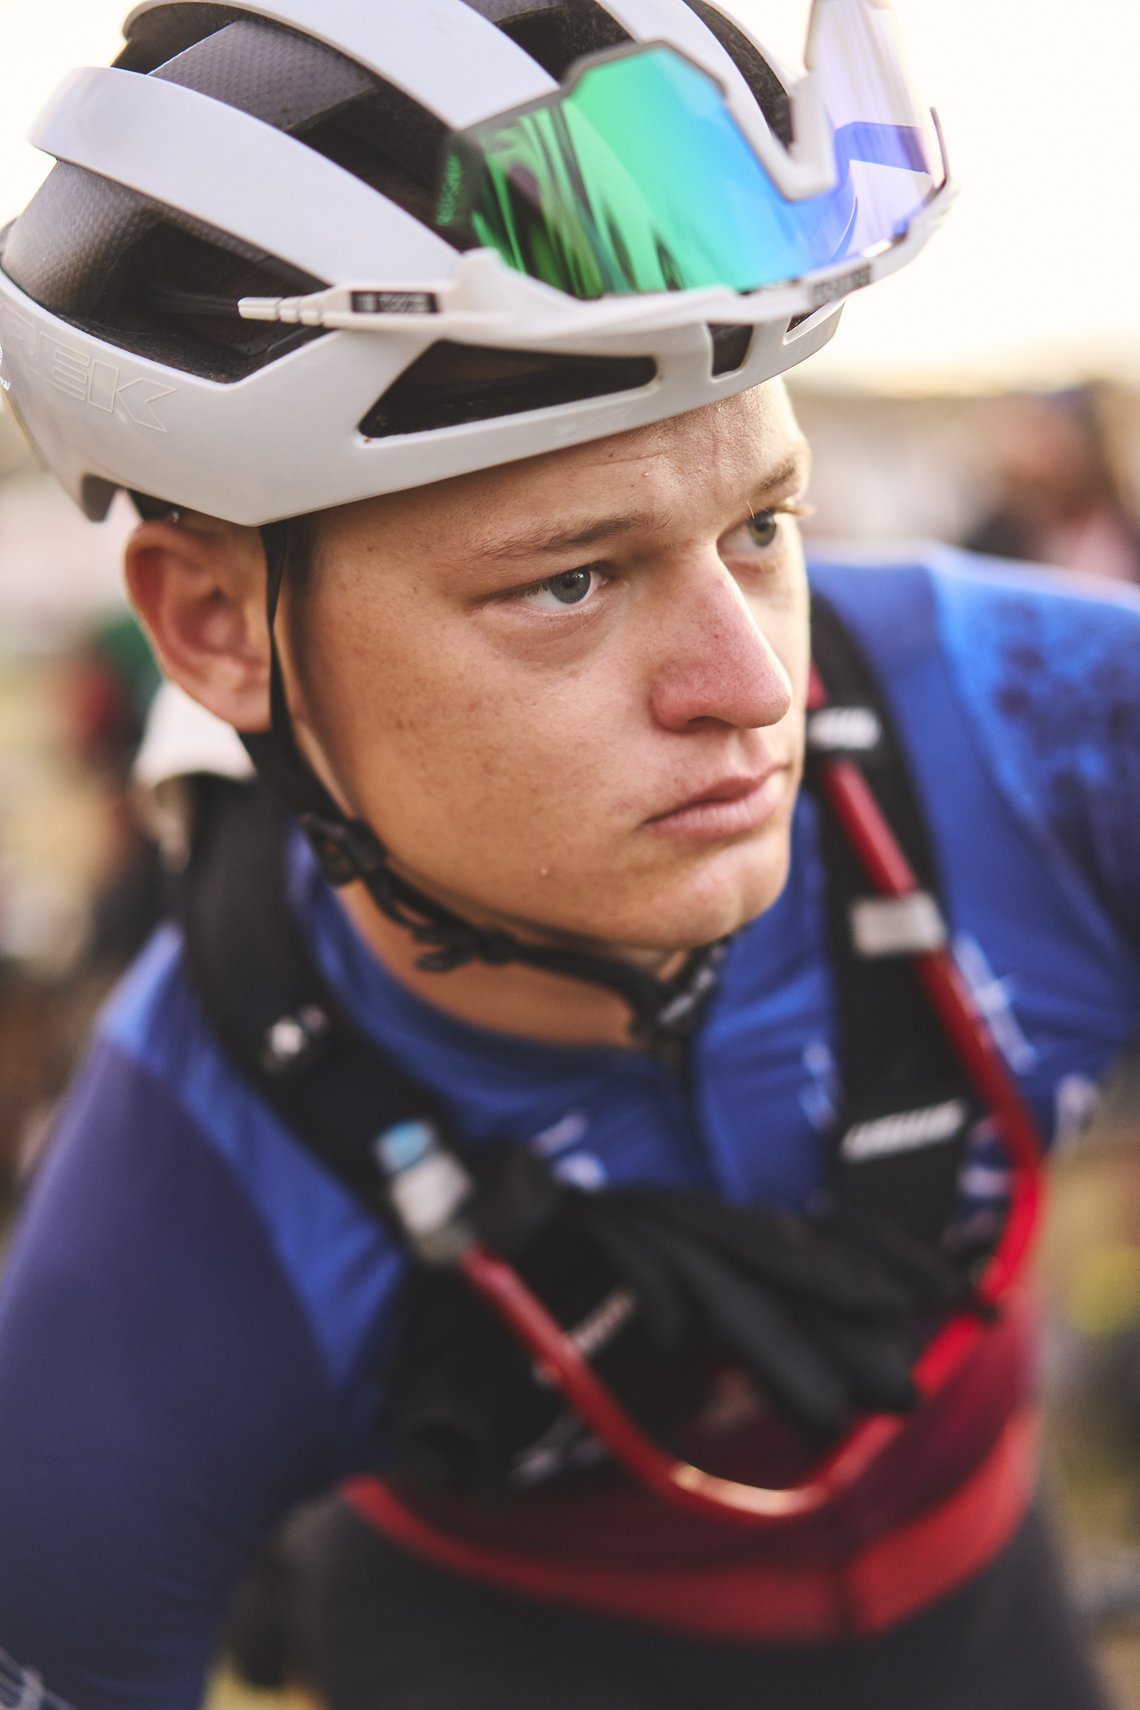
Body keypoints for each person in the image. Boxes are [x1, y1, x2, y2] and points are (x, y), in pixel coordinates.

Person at [0, 3, 1136, 1708]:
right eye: (571, 579)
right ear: (221, 627)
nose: (754, 688)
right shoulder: (167, 1232)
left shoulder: (1046, 738)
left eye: (762, 527)